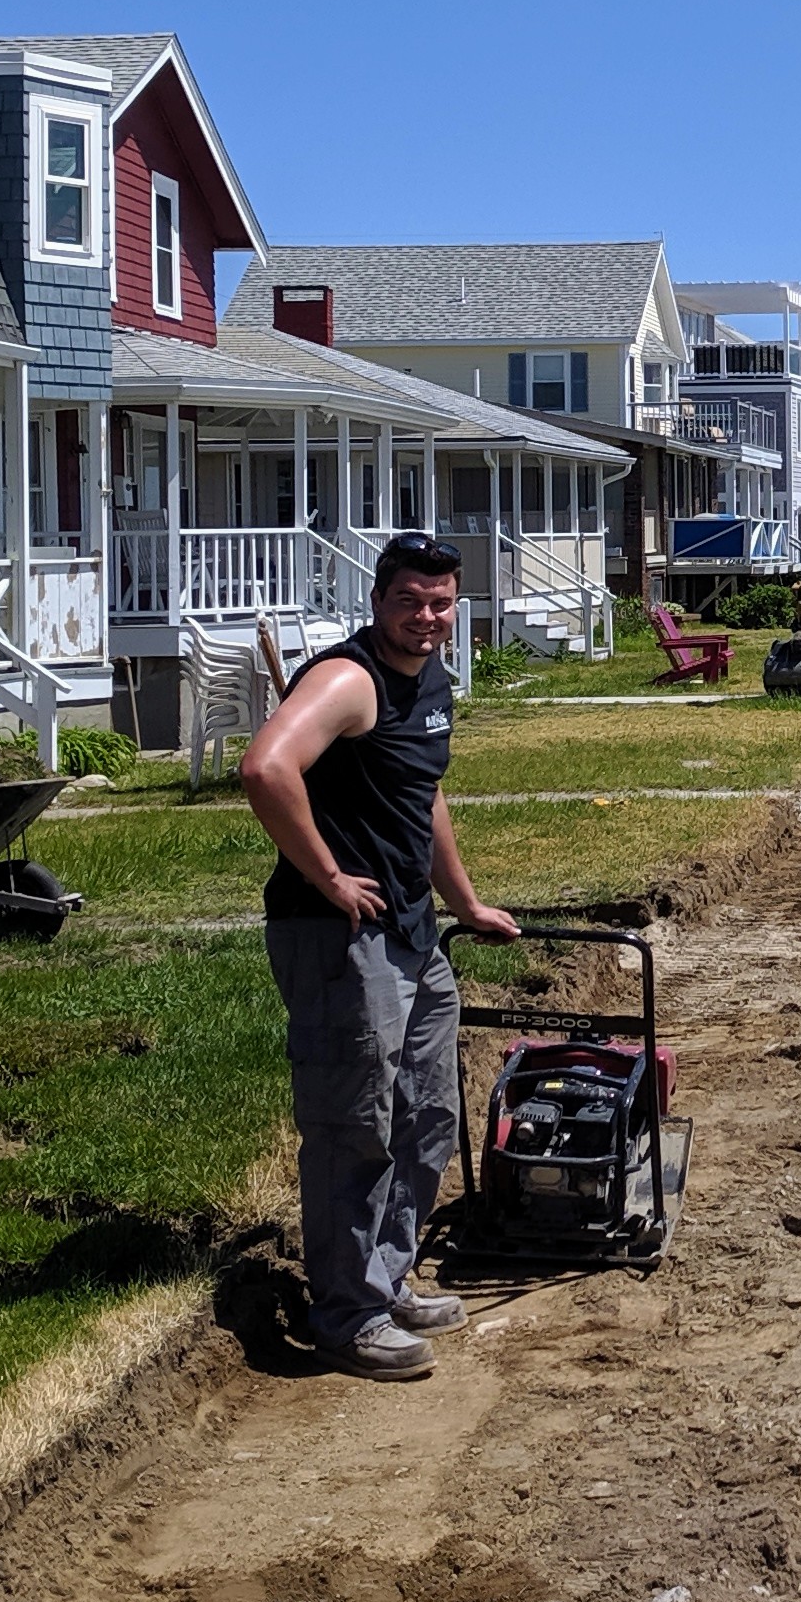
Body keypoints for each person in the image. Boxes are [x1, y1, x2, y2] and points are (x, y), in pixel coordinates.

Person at [240, 533, 516, 1381]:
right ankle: (346, 1315)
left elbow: (421, 794)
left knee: (427, 1114)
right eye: (409, 601)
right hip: (340, 938)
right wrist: (327, 876)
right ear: (378, 602)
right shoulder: (348, 680)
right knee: (352, 1127)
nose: (426, 617)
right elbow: (265, 768)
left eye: (441, 603)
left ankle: (386, 1278)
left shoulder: (429, 680)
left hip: (411, 929)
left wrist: (464, 902)